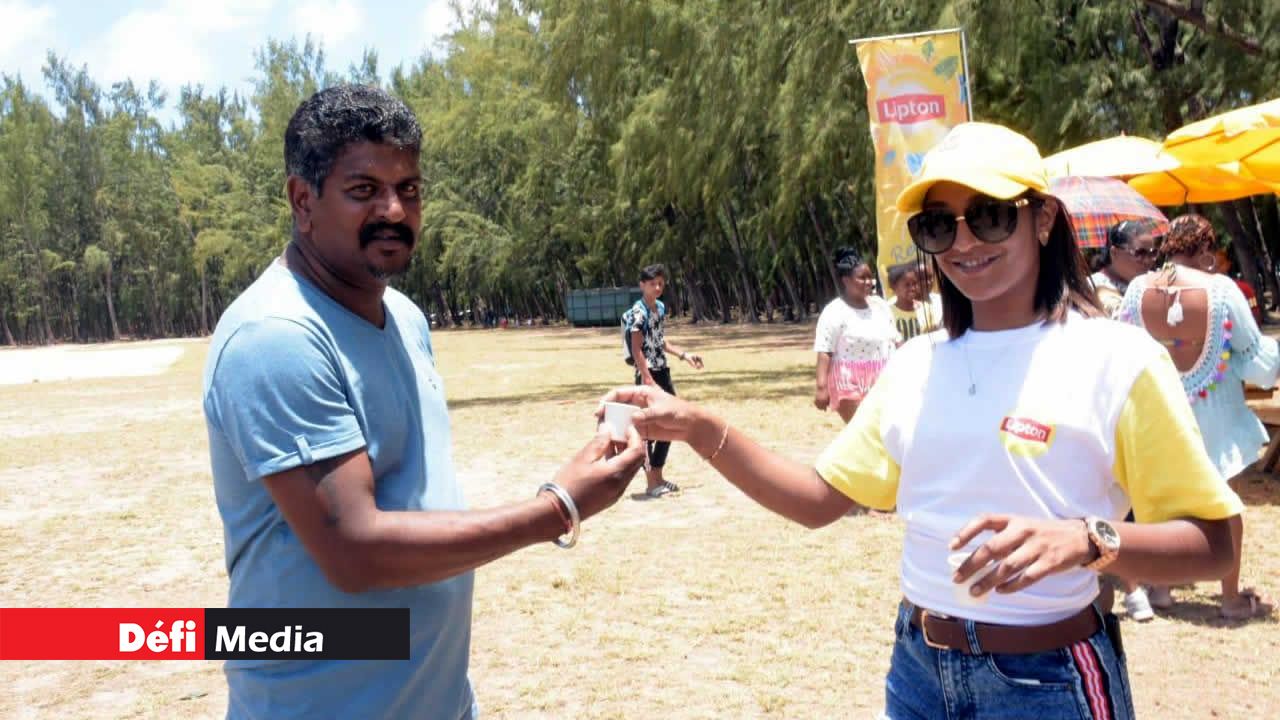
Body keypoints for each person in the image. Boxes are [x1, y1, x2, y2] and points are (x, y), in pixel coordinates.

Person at [606, 122, 1241, 719]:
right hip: (918, 670)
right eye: (939, 225)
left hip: (1048, 682)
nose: (963, 243)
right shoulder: (915, 364)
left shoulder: (1118, 359)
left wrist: (1088, 540)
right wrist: (695, 426)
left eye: (990, 217)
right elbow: (817, 500)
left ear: (1042, 218)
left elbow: (1217, 546)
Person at [201, 86, 646, 720]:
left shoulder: (405, 318)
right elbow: (355, 549)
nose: (394, 210)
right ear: (303, 201)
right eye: (364, 190)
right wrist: (559, 507)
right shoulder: (276, 337)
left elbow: (414, 496)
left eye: (409, 188)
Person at [1118, 214, 1277, 619]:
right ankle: (1229, 597)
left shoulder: (1138, 289)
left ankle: (1162, 589)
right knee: (1224, 505)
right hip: (1217, 415)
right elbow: (1257, 361)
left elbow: (1120, 350)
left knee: (1164, 505)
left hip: (1159, 415)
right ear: (1206, 250)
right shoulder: (1221, 290)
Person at [622, 263, 703, 498]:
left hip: (662, 371)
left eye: (660, 283)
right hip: (647, 375)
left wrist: (684, 355)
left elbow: (660, 341)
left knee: (673, 422)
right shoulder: (638, 313)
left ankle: (658, 474)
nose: (657, 287)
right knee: (647, 429)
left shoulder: (659, 307)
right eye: (652, 283)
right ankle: (650, 482)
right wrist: (648, 379)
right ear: (642, 286)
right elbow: (637, 350)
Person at [813, 249, 900, 423]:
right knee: (861, 429)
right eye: (862, 278)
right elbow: (825, 351)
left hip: (881, 377)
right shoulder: (834, 311)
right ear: (846, 281)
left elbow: (895, 339)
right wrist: (822, 388)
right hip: (848, 381)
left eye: (870, 277)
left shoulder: (880, 306)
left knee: (884, 430)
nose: (869, 282)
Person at [1090, 220, 1160, 317]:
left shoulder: (1155, 282)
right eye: (1140, 253)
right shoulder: (1092, 286)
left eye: (1152, 253)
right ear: (1114, 253)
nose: (1147, 260)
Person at [886, 262, 941, 342]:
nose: (912, 288)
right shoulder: (888, 312)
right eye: (907, 285)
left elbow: (933, 336)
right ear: (894, 287)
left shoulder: (926, 309)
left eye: (914, 283)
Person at [1214, 247, 1264, 325]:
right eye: (1213, 265)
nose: (1216, 268)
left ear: (1228, 264)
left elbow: (1255, 311)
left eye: (1220, 263)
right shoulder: (1204, 292)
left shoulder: (1245, 289)